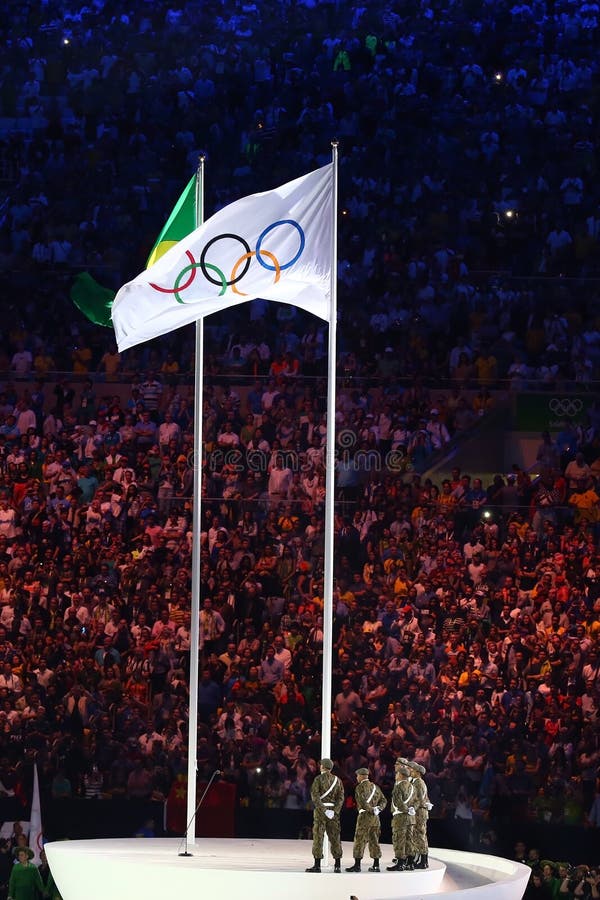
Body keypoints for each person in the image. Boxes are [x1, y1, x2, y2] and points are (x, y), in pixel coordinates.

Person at [305, 758, 344, 873]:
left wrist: (323, 809)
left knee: (318, 837)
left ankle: (317, 865)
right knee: (335, 837)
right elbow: (340, 798)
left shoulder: (318, 779)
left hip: (321, 812)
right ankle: (337, 865)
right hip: (333, 812)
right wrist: (335, 811)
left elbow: (315, 796)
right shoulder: (338, 780)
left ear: (323, 766)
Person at [346, 767, 387, 873]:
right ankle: (376, 865)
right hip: (375, 818)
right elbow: (384, 800)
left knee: (360, 840)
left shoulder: (359, 787)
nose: (356, 778)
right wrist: (378, 809)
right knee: (374, 840)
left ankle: (357, 865)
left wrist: (371, 810)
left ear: (361, 776)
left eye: (357, 776)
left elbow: (362, 802)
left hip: (364, 817)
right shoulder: (375, 787)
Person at [387, 763, 416, 871]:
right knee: (409, 840)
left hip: (400, 817)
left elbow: (398, 802)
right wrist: (412, 809)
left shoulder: (398, 786)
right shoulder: (412, 787)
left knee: (399, 839)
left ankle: (400, 863)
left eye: (397, 773)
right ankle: (410, 863)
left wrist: (406, 809)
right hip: (410, 818)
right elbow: (416, 801)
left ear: (401, 775)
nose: (396, 775)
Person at [405, 759, 431, 869]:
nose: (410, 771)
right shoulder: (415, 782)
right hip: (418, 811)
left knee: (420, 835)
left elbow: (419, 799)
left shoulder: (419, 783)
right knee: (417, 835)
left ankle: (424, 861)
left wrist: (411, 809)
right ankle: (419, 859)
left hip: (419, 812)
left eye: (412, 770)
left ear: (418, 772)